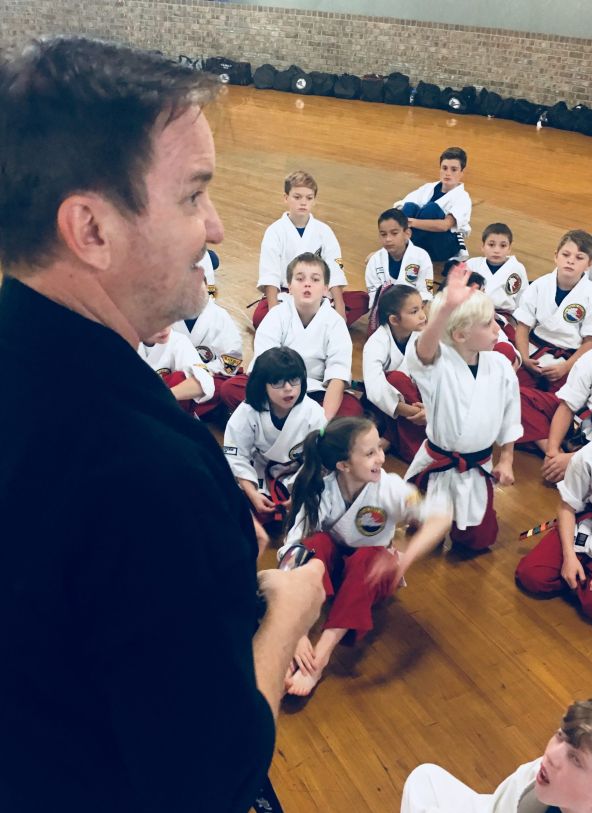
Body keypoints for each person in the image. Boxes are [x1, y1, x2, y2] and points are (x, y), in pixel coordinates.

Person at [0, 37, 325, 813]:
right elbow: (208, 784)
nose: (216, 227)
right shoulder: (143, 475)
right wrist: (286, 613)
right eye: (193, 196)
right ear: (91, 229)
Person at [279, 417, 451, 696]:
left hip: (370, 575)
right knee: (315, 543)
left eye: (379, 448)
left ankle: (320, 657)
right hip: (331, 571)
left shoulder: (390, 487)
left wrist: (403, 560)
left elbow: (441, 516)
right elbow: (292, 550)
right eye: (370, 453)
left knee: (368, 556)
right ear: (343, 465)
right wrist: (296, 631)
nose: (381, 458)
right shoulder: (322, 488)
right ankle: (298, 637)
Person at [405, 266, 522, 551]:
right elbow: (423, 351)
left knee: (477, 542)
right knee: (424, 534)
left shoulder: (500, 365)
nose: (497, 329)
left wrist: (506, 459)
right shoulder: (437, 364)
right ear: (459, 335)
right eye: (487, 324)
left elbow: (510, 415)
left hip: (477, 466)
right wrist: (445, 310)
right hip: (438, 463)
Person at [401, 696, 592, 813]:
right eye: (559, 736)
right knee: (425, 778)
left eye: (575, 759)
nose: (551, 756)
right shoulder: (539, 778)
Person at [223, 252, 362, 419]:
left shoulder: (335, 323)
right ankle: (293, 422)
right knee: (231, 388)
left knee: (351, 410)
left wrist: (323, 421)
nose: (307, 284)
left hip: (316, 391)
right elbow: (263, 365)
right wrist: (281, 396)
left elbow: (337, 375)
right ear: (289, 287)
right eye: (300, 279)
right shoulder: (276, 315)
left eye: (315, 279)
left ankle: (280, 422)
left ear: (326, 289)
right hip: (276, 388)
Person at [515, 388, 592, 624]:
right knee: (533, 575)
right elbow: (567, 507)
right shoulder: (590, 455)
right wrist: (569, 556)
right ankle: (585, 572)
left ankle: (591, 577)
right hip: (590, 522)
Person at [515, 230, 592, 452]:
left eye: (579, 257)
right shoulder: (539, 286)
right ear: (556, 255)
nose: (571, 261)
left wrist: (566, 367)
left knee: (563, 406)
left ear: (590, 264)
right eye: (566, 254)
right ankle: (549, 446)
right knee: (505, 392)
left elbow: (591, 341)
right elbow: (522, 327)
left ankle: (535, 437)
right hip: (534, 356)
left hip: (569, 362)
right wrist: (524, 358)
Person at [253, 169, 368, 327]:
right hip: (286, 294)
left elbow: (335, 269)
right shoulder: (274, 231)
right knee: (260, 318)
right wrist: (274, 313)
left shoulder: (324, 231)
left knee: (362, 300)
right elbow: (270, 274)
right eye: (297, 197)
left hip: (318, 294)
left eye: (309, 198)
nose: (303, 202)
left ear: (314, 200)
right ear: (286, 198)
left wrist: (340, 307)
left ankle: (299, 325)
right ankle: (317, 325)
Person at [223, 347, 326, 525]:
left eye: (294, 380)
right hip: (260, 468)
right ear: (262, 385)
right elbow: (236, 455)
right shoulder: (248, 411)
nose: (288, 389)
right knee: (238, 507)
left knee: (314, 506)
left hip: (298, 473)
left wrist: (299, 492)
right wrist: (252, 493)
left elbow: (318, 459)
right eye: (277, 382)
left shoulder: (313, 412)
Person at [362, 284, 428, 463]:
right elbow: (375, 389)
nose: (423, 315)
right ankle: (411, 446)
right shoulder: (376, 343)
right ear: (394, 319)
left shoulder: (423, 336)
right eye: (414, 311)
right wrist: (413, 412)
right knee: (396, 379)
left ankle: (391, 438)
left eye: (422, 308)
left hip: (421, 404)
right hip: (390, 406)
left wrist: (430, 410)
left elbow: (436, 376)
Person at [541, 344, 592, 483]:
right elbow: (568, 405)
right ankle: (557, 458)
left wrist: (575, 460)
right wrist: (552, 451)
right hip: (585, 426)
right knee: (521, 400)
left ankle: (575, 463)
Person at [172, 274, 245, 406]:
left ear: (206, 287)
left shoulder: (219, 315)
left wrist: (200, 372)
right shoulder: (167, 315)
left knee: (224, 389)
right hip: (178, 374)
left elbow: (232, 358)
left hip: (213, 373)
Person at [394, 147, 471, 262]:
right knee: (409, 207)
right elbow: (402, 208)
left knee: (432, 209)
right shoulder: (428, 188)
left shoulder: (463, 197)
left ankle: (399, 251)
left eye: (454, 169)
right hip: (424, 240)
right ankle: (400, 249)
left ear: (461, 173)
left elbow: (445, 225)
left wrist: (411, 222)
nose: (448, 173)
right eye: (444, 168)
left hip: (444, 246)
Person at [138, 324, 222, 417]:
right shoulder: (126, 342)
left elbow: (204, 382)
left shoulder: (179, 340)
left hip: (167, 413)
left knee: (179, 378)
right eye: (155, 321)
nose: (164, 328)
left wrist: (159, 397)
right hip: (133, 413)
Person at [466, 222, 529, 340]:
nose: (496, 250)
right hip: (472, 314)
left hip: (502, 319)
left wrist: (516, 324)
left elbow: (523, 301)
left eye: (503, 246)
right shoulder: (472, 264)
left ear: (510, 248)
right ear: (483, 246)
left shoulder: (517, 268)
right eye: (491, 245)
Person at [364, 207, 433, 311]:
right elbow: (374, 296)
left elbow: (425, 293)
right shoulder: (374, 261)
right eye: (383, 234)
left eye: (394, 233)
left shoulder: (421, 257)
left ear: (407, 234)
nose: (388, 239)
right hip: (385, 312)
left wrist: (406, 310)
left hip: (414, 311)